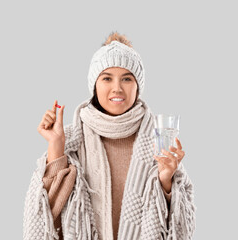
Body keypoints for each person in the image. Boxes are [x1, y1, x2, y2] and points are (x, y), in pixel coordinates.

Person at [23, 31, 197, 240]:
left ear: (137, 87)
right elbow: (46, 217)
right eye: (107, 78)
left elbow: (181, 224)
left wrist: (165, 180)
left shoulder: (158, 141)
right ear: (95, 85)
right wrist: (56, 146)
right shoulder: (71, 139)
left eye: (126, 79)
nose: (117, 88)